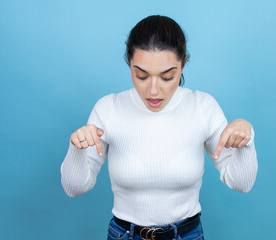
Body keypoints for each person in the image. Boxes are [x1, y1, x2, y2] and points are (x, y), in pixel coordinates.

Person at [60, 15, 258, 240]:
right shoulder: (108, 109)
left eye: (167, 77)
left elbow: (241, 183)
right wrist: (76, 147)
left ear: (183, 62)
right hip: (125, 235)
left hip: (187, 235)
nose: (153, 90)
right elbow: (73, 188)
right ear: (129, 62)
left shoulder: (203, 107)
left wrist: (246, 139)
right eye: (141, 75)